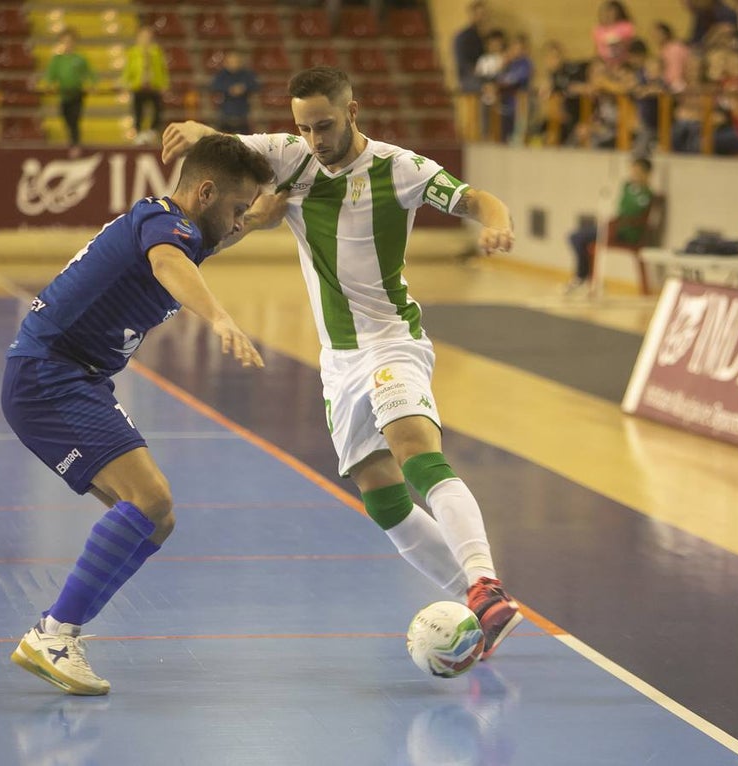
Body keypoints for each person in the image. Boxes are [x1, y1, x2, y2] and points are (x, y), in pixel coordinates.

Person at [161, 66, 526, 659]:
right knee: (380, 494)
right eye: (303, 127)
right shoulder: (289, 153)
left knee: (414, 451)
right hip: (338, 360)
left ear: (352, 112)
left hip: (391, 342)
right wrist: (192, 130)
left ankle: (485, 582)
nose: (314, 140)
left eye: (324, 126)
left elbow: (473, 198)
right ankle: (479, 603)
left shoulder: (397, 168)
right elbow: (224, 146)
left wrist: (500, 223)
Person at [3, 134, 273, 695]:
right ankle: (53, 632)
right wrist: (219, 317)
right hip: (49, 374)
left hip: (76, 378)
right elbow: (169, 262)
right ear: (203, 192)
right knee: (151, 500)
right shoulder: (162, 222)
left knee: (157, 518)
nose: (241, 219)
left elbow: (252, 219)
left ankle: (60, 632)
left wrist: (289, 195)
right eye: (235, 208)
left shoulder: (192, 228)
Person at [565, 157, 653, 291]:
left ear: (646, 173)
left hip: (626, 233)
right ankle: (586, 277)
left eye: (637, 171)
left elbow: (631, 211)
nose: (633, 174)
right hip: (614, 228)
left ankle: (582, 277)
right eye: (632, 171)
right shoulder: (628, 187)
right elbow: (622, 206)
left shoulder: (646, 194)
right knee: (575, 237)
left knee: (578, 238)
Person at [43, 28, 94, 155]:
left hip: (76, 93)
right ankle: (72, 141)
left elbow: (90, 74)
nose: (67, 44)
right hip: (63, 95)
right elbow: (50, 75)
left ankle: (75, 144)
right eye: (65, 41)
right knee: (66, 118)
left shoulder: (80, 59)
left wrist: (90, 85)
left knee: (75, 118)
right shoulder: (57, 60)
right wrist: (49, 85)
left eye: (70, 41)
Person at [121, 25, 169, 146]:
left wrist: (164, 84)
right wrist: (126, 83)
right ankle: (139, 133)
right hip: (138, 86)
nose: (146, 39)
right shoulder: (133, 52)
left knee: (157, 110)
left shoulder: (156, 51)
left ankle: (152, 131)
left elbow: (163, 69)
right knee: (138, 111)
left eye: (148, 37)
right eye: (143, 37)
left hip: (154, 86)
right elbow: (128, 69)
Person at [210, 49, 260, 135]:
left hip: (243, 112)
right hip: (225, 112)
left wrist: (244, 88)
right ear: (226, 63)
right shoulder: (222, 74)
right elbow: (214, 86)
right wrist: (229, 89)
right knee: (223, 136)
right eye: (231, 62)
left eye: (236, 61)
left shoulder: (246, 74)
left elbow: (255, 85)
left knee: (245, 137)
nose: (234, 64)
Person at [453, 0, 489, 96]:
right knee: (488, 88)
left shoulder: (480, 36)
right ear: (472, 14)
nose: (482, 17)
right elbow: (464, 64)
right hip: (468, 78)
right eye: (480, 14)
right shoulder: (463, 36)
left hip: (481, 75)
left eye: (484, 14)